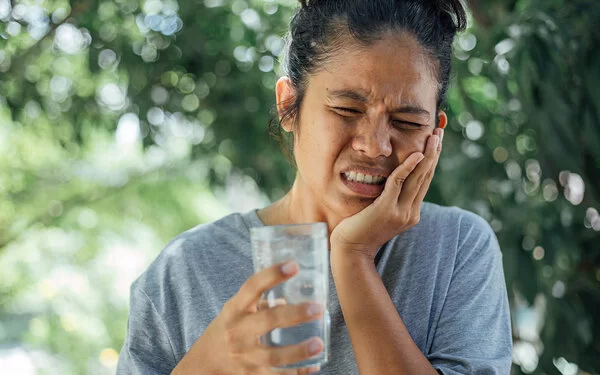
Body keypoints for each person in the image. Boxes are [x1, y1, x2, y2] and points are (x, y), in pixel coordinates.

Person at [117, 0, 513, 374]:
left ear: (434, 135)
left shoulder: (457, 248)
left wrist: (353, 256)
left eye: (407, 122)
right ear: (289, 105)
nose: (375, 145)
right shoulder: (185, 273)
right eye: (347, 110)